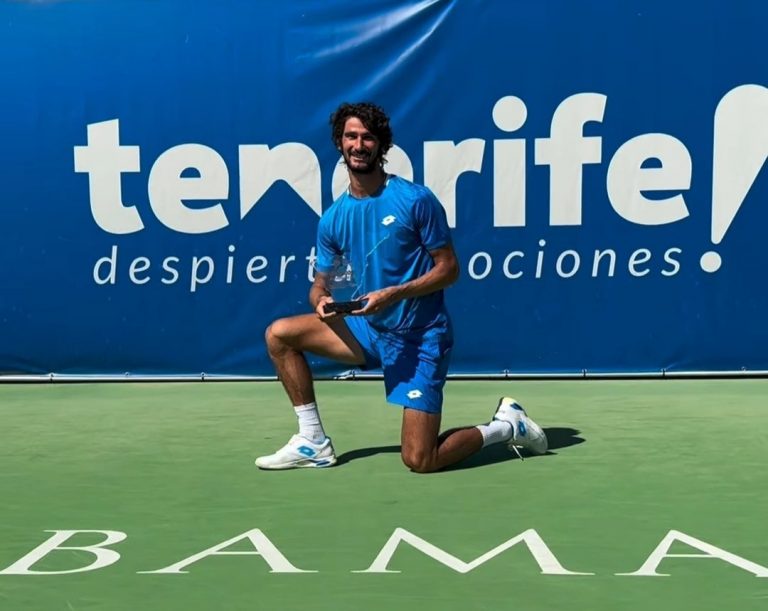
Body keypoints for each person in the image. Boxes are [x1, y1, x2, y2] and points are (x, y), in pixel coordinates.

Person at [256, 102, 547, 472]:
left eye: (367, 137)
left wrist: (395, 293)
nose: (358, 145)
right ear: (339, 143)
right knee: (279, 335)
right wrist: (322, 301)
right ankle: (312, 440)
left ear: (381, 145)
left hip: (420, 336)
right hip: (368, 330)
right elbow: (319, 284)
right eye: (350, 136)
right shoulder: (332, 219)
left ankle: (507, 427)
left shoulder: (415, 200)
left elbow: (449, 269)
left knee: (421, 460)